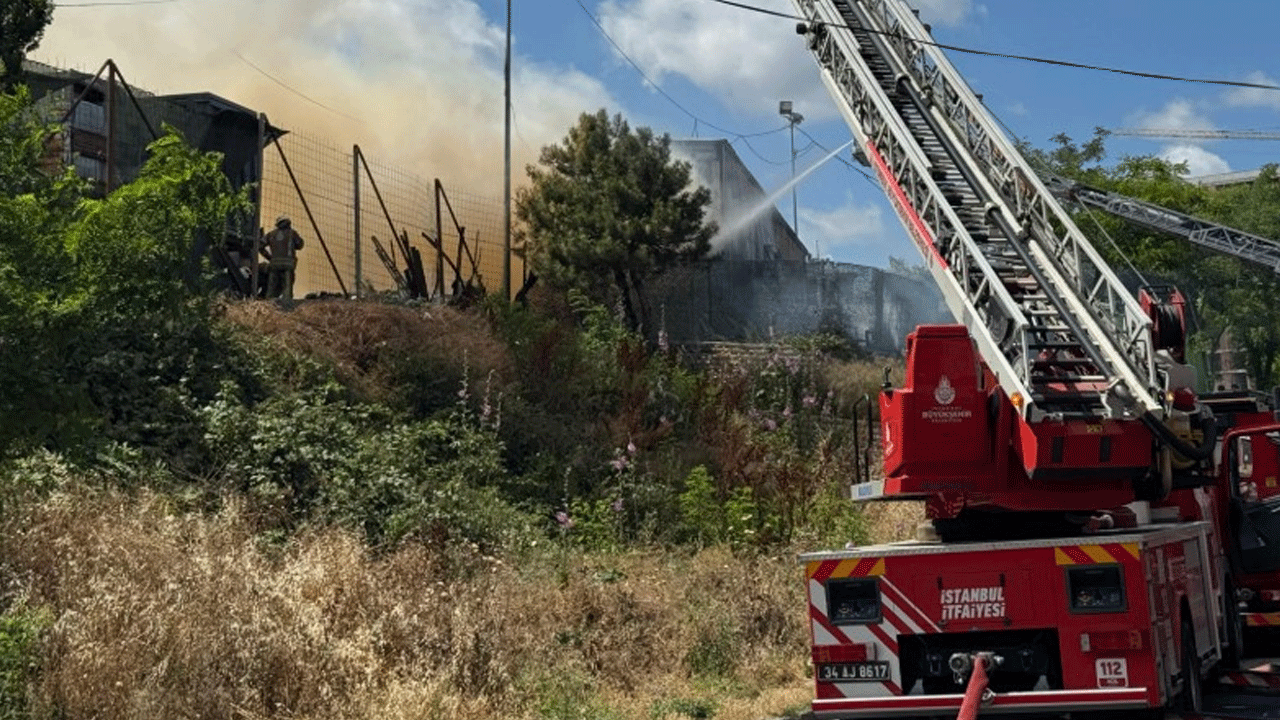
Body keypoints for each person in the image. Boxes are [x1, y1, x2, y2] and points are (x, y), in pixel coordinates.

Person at [262, 216, 305, 300]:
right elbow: (300, 245)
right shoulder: (292, 233)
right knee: (287, 286)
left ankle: (269, 304)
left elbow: (260, 246)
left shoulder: (271, 234)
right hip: (288, 264)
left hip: (274, 263)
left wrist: (269, 258)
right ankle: (287, 304)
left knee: (271, 287)